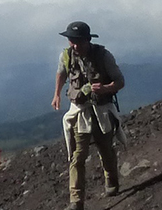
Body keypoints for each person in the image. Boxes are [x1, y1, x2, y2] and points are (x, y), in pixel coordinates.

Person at [51, 21, 125, 210]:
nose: (74, 45)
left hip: (101, 109)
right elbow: (61, 74)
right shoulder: (66, 56)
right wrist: (57, 94)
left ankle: (111, 180)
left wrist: (106, 88)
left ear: (87, 40)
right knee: (77, 156)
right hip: (80, 111)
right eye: (71, 41)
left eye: (78, 41)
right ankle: (76, 200)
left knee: (105, 148)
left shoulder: (103, 56)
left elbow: (120, 81)